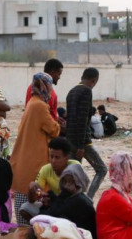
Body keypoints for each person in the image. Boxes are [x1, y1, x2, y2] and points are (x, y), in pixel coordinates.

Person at [10, 73, 61, 225]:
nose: (51, 91)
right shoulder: (39, 106)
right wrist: (58, 123)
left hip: (24, 162)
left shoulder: (32, 103)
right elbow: (54, 129)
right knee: (32, 210)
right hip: (33, 164)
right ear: (45, 87)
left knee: (23, 204)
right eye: (50, 87)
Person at [66, 67, 108, 199]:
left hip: (70, 139)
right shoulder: (86, 91)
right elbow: (82, 120)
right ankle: (88, 199)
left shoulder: (71, 92)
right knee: (102, 170)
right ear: (94, 80)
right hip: (82, 141)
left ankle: (74, 201)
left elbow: (71, 118)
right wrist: (81, 145)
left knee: (74, 174)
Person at [40, 164, 98, 239]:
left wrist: (45, 206)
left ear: (79, 183)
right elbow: (58, 204)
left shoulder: (78, 200)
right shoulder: (70, 195)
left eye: (71, 182)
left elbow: (52, 214)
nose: (67, 186)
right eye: (65, 182)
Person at [25, 58, 64, 124]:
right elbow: (42, 116)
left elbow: (50, 112)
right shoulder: (41, 91)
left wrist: (56, 118)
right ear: (52, 72)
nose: (59, 77)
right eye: (59, 74)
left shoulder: (36, 87)